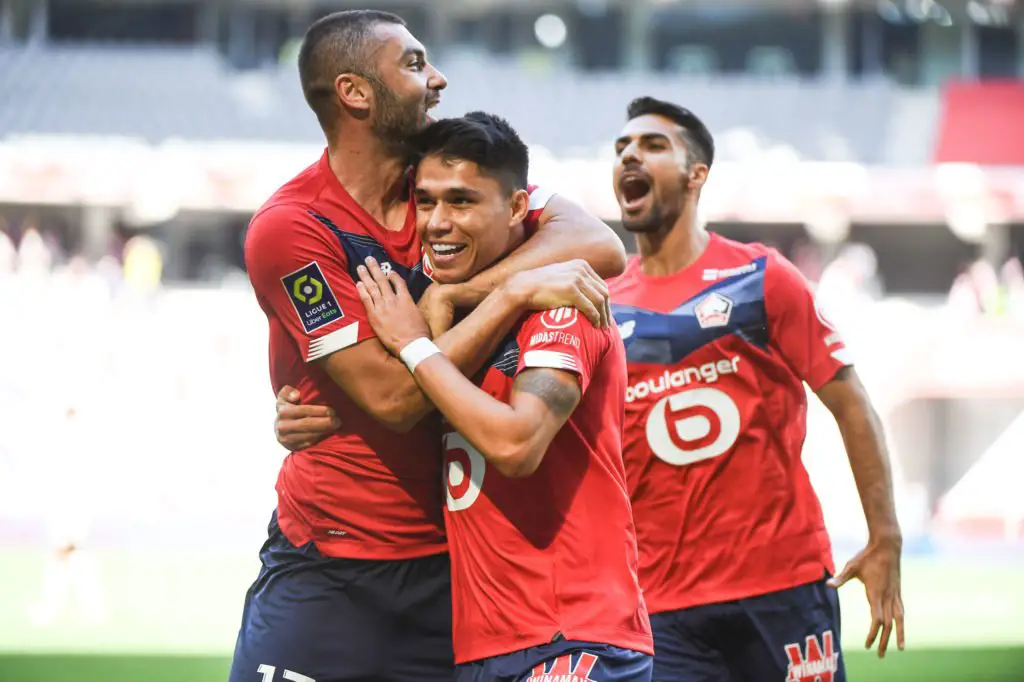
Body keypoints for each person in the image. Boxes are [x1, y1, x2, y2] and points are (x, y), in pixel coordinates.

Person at [231, 9, 625, 682]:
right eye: (415, 65)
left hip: (459, 573)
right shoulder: (294, 227)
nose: (438, 79)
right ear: (355, 92)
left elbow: (597, 243)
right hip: (332, 566)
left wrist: (457, 298)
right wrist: (503, 297)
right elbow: (392, 398)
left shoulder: (447, 187)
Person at [607, 97, 904, 681]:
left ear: (697, 175)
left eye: (653, 145)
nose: (629, 156)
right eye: (622, 148)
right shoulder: (603, 304)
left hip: (782, 586)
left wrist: (885, 535)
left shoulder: (760, 278)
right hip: (658, 605)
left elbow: (852, 404)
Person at [355, 111, 652, 682]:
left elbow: (518, 445)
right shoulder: (451, 312)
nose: (437, 223)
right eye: (425, 201)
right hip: (483, 644)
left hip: (571, 635)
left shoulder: (564, 305)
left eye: (462, 202)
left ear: (518, 208)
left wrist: (415, 347)